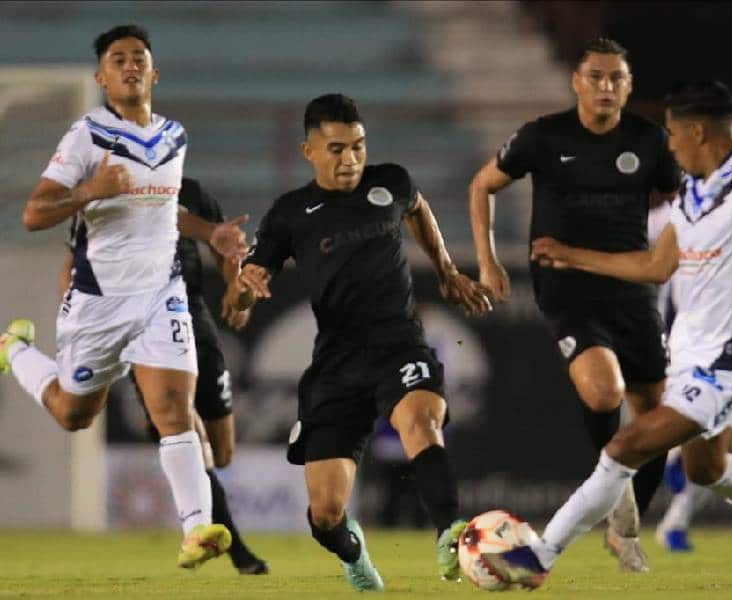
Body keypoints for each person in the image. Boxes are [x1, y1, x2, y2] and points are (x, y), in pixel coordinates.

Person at [511, 80, 732, 588]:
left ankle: (540, 553)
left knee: (625, 444)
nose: (667, 146)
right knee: (707, 471)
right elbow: (655, 264)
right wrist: (572, 256)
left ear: (696, 131)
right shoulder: (690, 192)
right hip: (689, 359)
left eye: (671, 135)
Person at [0, 25, 247, 569]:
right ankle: (15, 350)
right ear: (102, 77)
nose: (130, 65)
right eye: (118, 59)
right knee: (72, 414)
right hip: (99, 301)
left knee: (173, 411)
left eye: (139, 58)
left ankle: (198, 531)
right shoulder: (86, 135)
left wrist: (211, 235)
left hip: (161, 294)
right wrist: (89, 191)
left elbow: (163, 208)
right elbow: (33, 212)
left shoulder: (174, 136)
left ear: (154, 73)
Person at [224, 93, 492, 591]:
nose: (350, 159)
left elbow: (418, 208)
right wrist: (244, 287)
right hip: (335, 365)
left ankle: (452, 535)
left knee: (421, 422)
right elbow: (240, 297)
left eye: (358, 147)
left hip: (399, 344)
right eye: (336, 149)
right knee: (326, 513)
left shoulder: (389, 182)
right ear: (309, 151)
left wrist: (448, 270)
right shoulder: (290, 213)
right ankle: (353, 551)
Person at [468, 37, 680, 571]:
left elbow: (684, 202)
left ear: (629, 87)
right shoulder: (544, 136)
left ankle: (624, 518)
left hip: (633, 291)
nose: (605, 87)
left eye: (616, 79)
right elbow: (482, 185)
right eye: (596, 77)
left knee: (656, 421)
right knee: (604, 390)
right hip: (567, 291)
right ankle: (619, 495)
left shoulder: (649, 142)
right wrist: (488, 261)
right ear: (576, 81)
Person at [58, 178, 268, 574]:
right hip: (146, 330)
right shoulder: (106, 197)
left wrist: (236, 284)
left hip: (194, 322)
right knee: (192, 438)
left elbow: (224, 251)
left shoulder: (191, 193)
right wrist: (78, 326)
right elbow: (73, 264)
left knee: (222, 453)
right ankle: (237, 551)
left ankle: (178, 447)